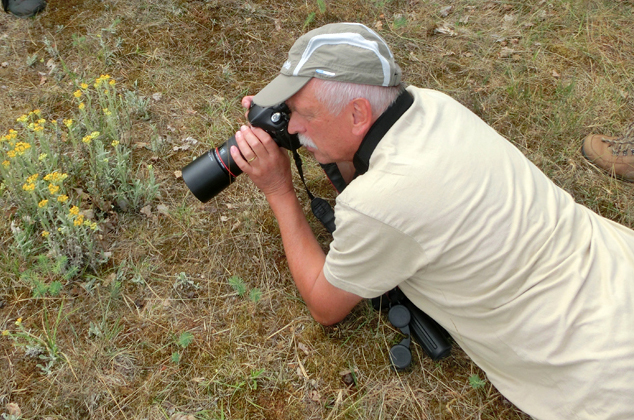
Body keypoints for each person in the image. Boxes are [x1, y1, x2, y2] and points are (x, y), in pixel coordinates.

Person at [228, 22, 634, 420]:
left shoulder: (380, 202)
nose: (293, 128)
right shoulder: (431, 103)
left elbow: (324, 305)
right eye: (287, 112)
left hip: (601, 371)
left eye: (301, 114)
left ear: (357, 114)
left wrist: (279, 189)